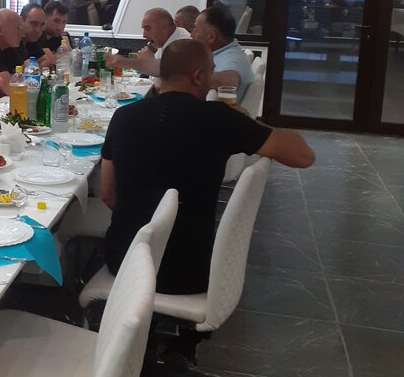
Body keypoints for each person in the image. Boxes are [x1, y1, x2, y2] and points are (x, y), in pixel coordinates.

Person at [100, 39, 314, 302]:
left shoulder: (123, 116)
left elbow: (107, 194)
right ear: (199, 76)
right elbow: (303, 155)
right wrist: (246, 121)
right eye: (212, 71)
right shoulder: (219, 119)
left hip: (125, 261)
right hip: (187, 271)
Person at [192, 4, 255, 102]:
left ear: (211, 36)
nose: (191, 34)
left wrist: (185, 77)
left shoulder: (232, 59)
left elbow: (231, 82)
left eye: (195, 28)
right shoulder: (225, 52)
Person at [106, 7, 190, 77]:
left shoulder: (184, 44)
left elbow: (169, 75)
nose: (144, 35)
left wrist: (148, 60)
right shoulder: (163, 41)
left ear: (164, 27)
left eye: (148, 29)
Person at [18, 3, 56, 70]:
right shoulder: (13, 42)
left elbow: (49, 62)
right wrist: (37, 67)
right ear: (21, 21)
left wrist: (35, 68)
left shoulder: (32, 40)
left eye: (41, 25)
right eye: (34, 24)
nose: (38, 30)